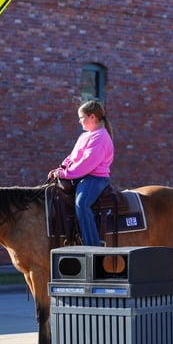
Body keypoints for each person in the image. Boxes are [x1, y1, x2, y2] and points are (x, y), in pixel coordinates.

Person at [47, 100, 115, 247]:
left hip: (95, 178)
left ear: (92, 117)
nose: (79, 121)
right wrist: (61, 167)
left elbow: (86, 164)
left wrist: (65, 174)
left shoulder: (101, 137)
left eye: (81, 117)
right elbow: (72, 157)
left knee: (82, 203)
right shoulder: (85, 136)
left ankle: (93, 246)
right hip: (80, 176)